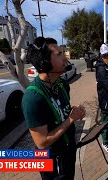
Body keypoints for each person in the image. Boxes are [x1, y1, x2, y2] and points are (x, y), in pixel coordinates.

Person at [22, 37, 86, 180]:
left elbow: (62, 113)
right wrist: (71, 119)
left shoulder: (62, 83)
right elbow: (42, 142)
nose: (65, 58)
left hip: (68, 151)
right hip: (51, 160)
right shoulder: (32, 97)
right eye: (59, 55)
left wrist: (75, 113)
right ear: (44, 63)